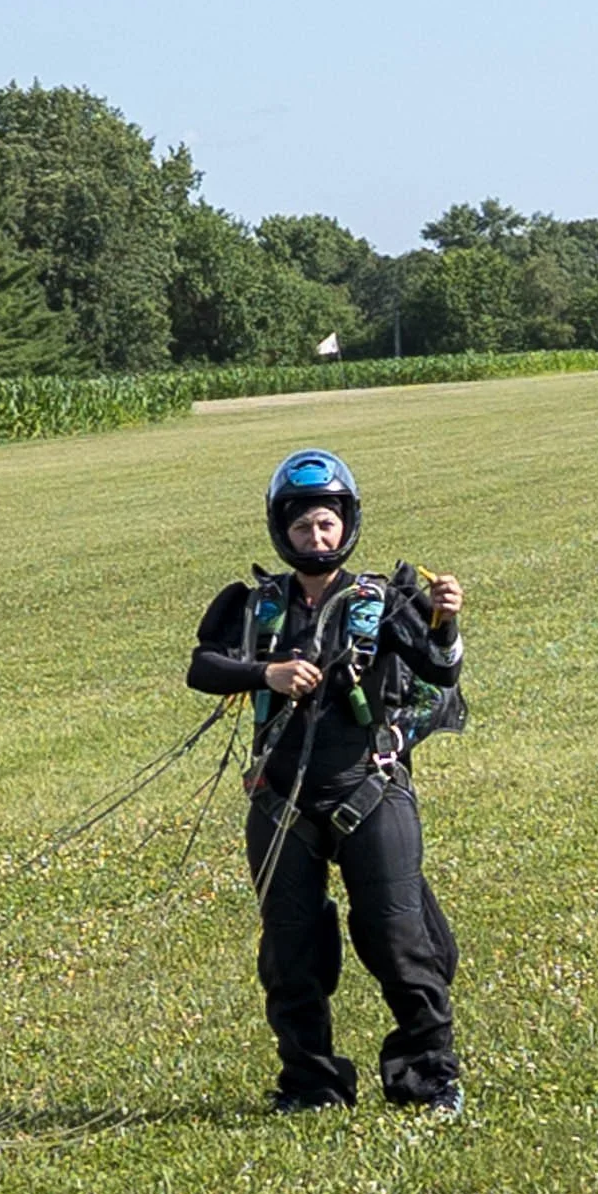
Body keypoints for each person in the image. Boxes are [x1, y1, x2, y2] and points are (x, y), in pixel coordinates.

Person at [187, 448, 467, 1115]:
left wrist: (445, 618)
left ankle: (429, 1081)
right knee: (290, 951)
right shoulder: (255, 606)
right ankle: (311, 1085)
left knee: (398, 938)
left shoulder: (385, 600)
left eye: (327, 525)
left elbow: (440, 671)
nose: (316, 538)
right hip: (280, 801)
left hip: (368, 791)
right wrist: (267, 675)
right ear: (281, 530)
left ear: (347, 527)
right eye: (304, 526)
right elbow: (203, 667)